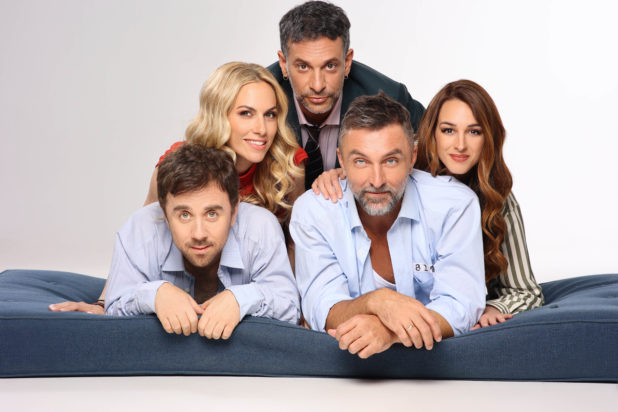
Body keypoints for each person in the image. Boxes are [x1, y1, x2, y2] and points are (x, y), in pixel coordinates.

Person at [49, 62, 306, 315]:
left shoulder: (288, 164)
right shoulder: (178, 166)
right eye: (246, 113)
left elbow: (295, 244)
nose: (261, 129)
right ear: (219, 114)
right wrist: (103, 304)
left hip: (255, 290)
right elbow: (143, 237)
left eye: (270, 114)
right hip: (185, 286)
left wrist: (299, 308)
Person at [312, 80, 544, 329]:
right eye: (448, 130)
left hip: (458, 319)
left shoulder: (497, 198)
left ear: (489, 138)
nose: (460, 144)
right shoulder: (400, 176)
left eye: (474, 132)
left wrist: (489, 307)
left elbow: (525, 291)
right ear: (431, 132)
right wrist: (340, 174)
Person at [290, 93, 486, 359]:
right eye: (361, 161)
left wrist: (388, 331)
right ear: (341, 160)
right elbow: (322, 308)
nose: (377, 180)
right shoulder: (313, 211)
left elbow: (461, 304)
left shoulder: (455, 205)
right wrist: (377, 301)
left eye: (390, 160)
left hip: (435, 368)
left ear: (412, 156)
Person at [105, 144, 300, 337]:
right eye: (184, 215)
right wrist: (155, 294)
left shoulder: (260, 227)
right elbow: (112, 308)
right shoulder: (141, 229)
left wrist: (241, 298)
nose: (199, 234)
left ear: (234, 211)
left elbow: (290, 309)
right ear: (165, 214)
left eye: (212, 214)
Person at [267, 0, 425, 189]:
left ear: (347, 62)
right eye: (303, 67)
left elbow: (434, 144)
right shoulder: (258, 96)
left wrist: (353, 173)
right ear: (284, 64)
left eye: (330, 66)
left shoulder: (390, 96)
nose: (317, 85)